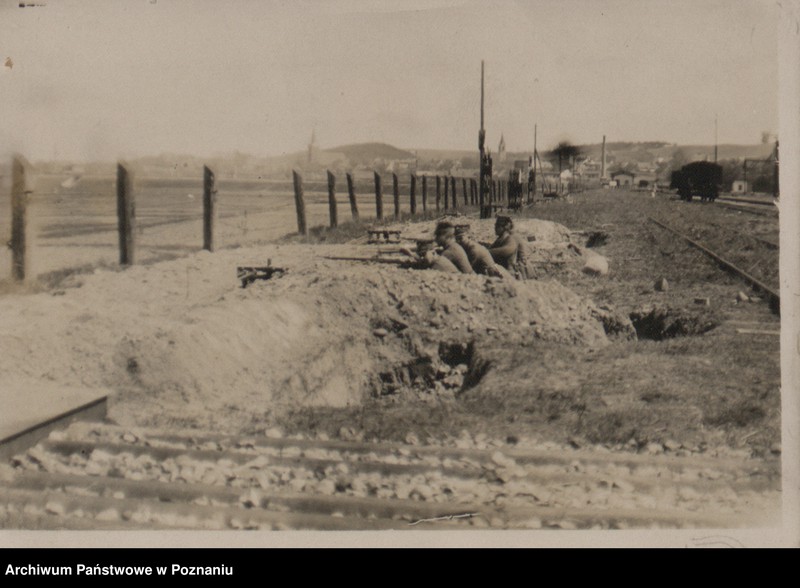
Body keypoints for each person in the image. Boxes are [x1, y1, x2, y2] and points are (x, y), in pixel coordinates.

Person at [489, 215, 528, 279]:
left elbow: (507, 250)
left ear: (504, 227)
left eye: (497, 226)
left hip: (511, 271)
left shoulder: (511, 238)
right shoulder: (501, 238)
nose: (495, 228)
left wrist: (487, 252)